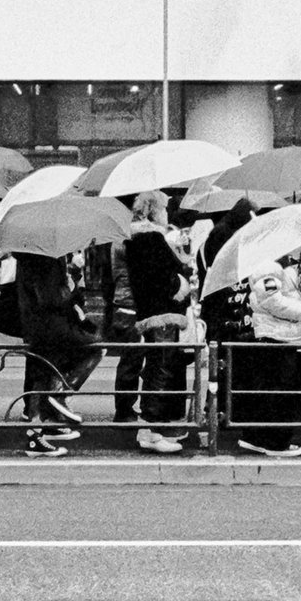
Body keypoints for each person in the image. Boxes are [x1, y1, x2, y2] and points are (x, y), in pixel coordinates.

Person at [121, 193, 196, 455]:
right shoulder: (151, 239)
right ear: (154, 210)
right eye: (163, 208)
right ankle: (150, 430)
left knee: (157, 366)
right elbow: (163, 278)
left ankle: (152, 428)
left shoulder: (138, 239)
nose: (166, 213)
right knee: (160, 369)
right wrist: (181, 282)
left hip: (151, 313)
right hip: (162, 313)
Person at [232, 256, 301, 458]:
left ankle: (256, 438)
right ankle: (276, 442)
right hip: (278, 338)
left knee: (267, 391)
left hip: (277, 337)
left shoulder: (275, 270)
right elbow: (273, 302)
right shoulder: (268, 269)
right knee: (279, 393)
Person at [15, 250, 101, 457]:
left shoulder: (27, 258)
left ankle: (40, 431)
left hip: (36, 326)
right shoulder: (47, 261)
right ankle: (61, 394)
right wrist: (70, 288)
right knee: (95, 349)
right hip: (52, 327)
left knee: (42, 374)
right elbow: (51, 299)